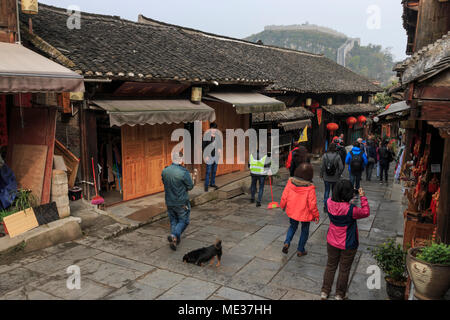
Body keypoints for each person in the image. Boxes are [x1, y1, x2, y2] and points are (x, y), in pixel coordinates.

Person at [320, 180, 370, 300]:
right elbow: (366, 212)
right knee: (344, 269)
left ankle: (325, 291)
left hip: (332, 240)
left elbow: (335, 204)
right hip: (348, 243)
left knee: (330, 266)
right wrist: (362, 197)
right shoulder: (351, 210)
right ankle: (339, 294)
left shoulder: (328, 203)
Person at [280, 163, 320, 257]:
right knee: (304, 230)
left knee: (292, 227)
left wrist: (282, 206)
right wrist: (316, 215)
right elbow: (312, 205)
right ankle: (300, 250)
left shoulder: (290, 183)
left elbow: (284, 196)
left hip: (293, 210)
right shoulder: (310, 188)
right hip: (305, 214)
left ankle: (287, 242)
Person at [161, 151, 194, 251]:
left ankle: (174, 240)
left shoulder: (165, 171)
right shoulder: (183, 172)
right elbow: (190, 186)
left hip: (169, 201)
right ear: (181, 160)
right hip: (181, 202)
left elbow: (164, 183)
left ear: (172, 159)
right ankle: (174, 235)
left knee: (173, 220)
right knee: (184, 220)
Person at [320, 143, 344, 213]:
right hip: (335, 177)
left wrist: (321, 174)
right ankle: (333, 206)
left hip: (326, 177)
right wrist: (339, 174)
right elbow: (341, 167)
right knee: (334, 192)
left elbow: (322, 167)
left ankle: (326, 207)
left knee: (326, 191)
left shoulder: (325, 155)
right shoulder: (337, 156)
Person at [203, 122, 222, 192]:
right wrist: (205, 156)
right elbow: (203, 147)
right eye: (212, 128)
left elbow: (220, 144)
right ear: (210, 128)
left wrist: (220, 149)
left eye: (215, 129)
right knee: (208, 171)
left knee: (214, 171)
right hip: (209, 156)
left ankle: (212, 183)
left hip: (216, 156)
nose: (214, 130)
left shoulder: (218, 136)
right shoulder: (206, 136)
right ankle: (206, 185)